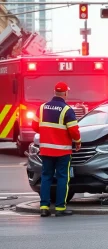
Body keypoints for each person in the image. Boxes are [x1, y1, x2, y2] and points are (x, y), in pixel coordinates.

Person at [32, 82, 81, 217]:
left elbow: (35, 126)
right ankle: (60, 208)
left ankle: (44, 207)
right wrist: (77, 142)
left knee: (46, 177)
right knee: (62, 178)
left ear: (54, 92)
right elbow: (74, 131)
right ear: (65, 93)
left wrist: (48, 133)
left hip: (46, 150)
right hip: (62, 151)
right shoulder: (67, 110)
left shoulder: (42, 108)